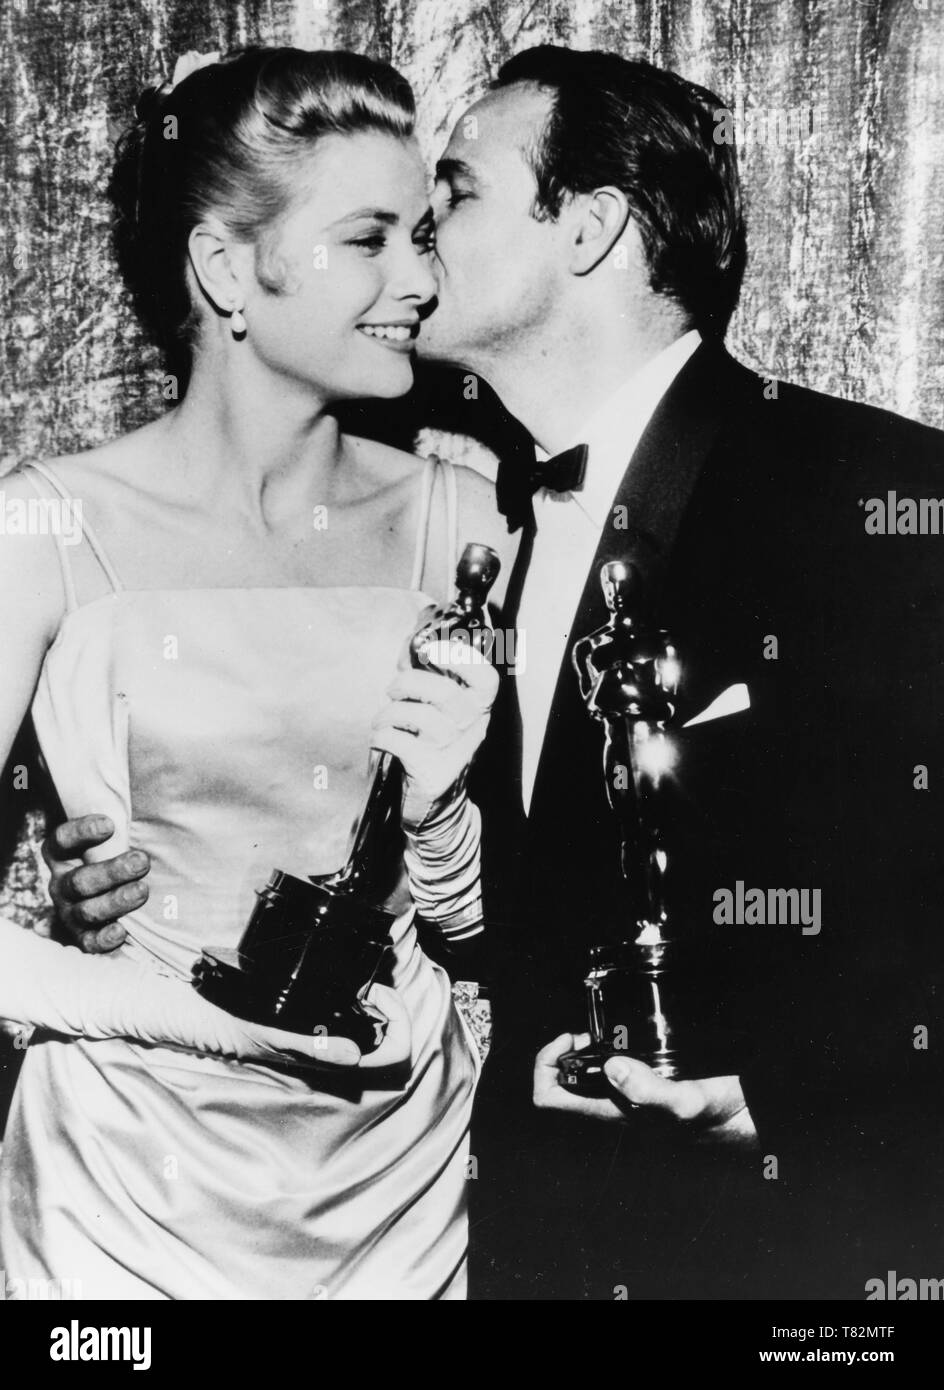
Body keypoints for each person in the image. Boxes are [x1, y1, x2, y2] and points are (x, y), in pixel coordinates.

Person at [47, 44, 944, 1299]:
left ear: (585, 229)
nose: (418, 257)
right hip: (508, 1240)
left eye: (453, 200)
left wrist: (771, 1093)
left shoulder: (877, 495)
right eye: (390, 227)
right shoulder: (487, 527)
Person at [0, 46, 512, 1301]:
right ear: (228, 266)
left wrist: (447, 837)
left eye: (425, 234)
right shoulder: (44, 525)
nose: (419, 281)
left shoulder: (472, 520)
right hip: (121, 1198)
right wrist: (183, 1012)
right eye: (370, 239)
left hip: (396, 1187)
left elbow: (524, 915)